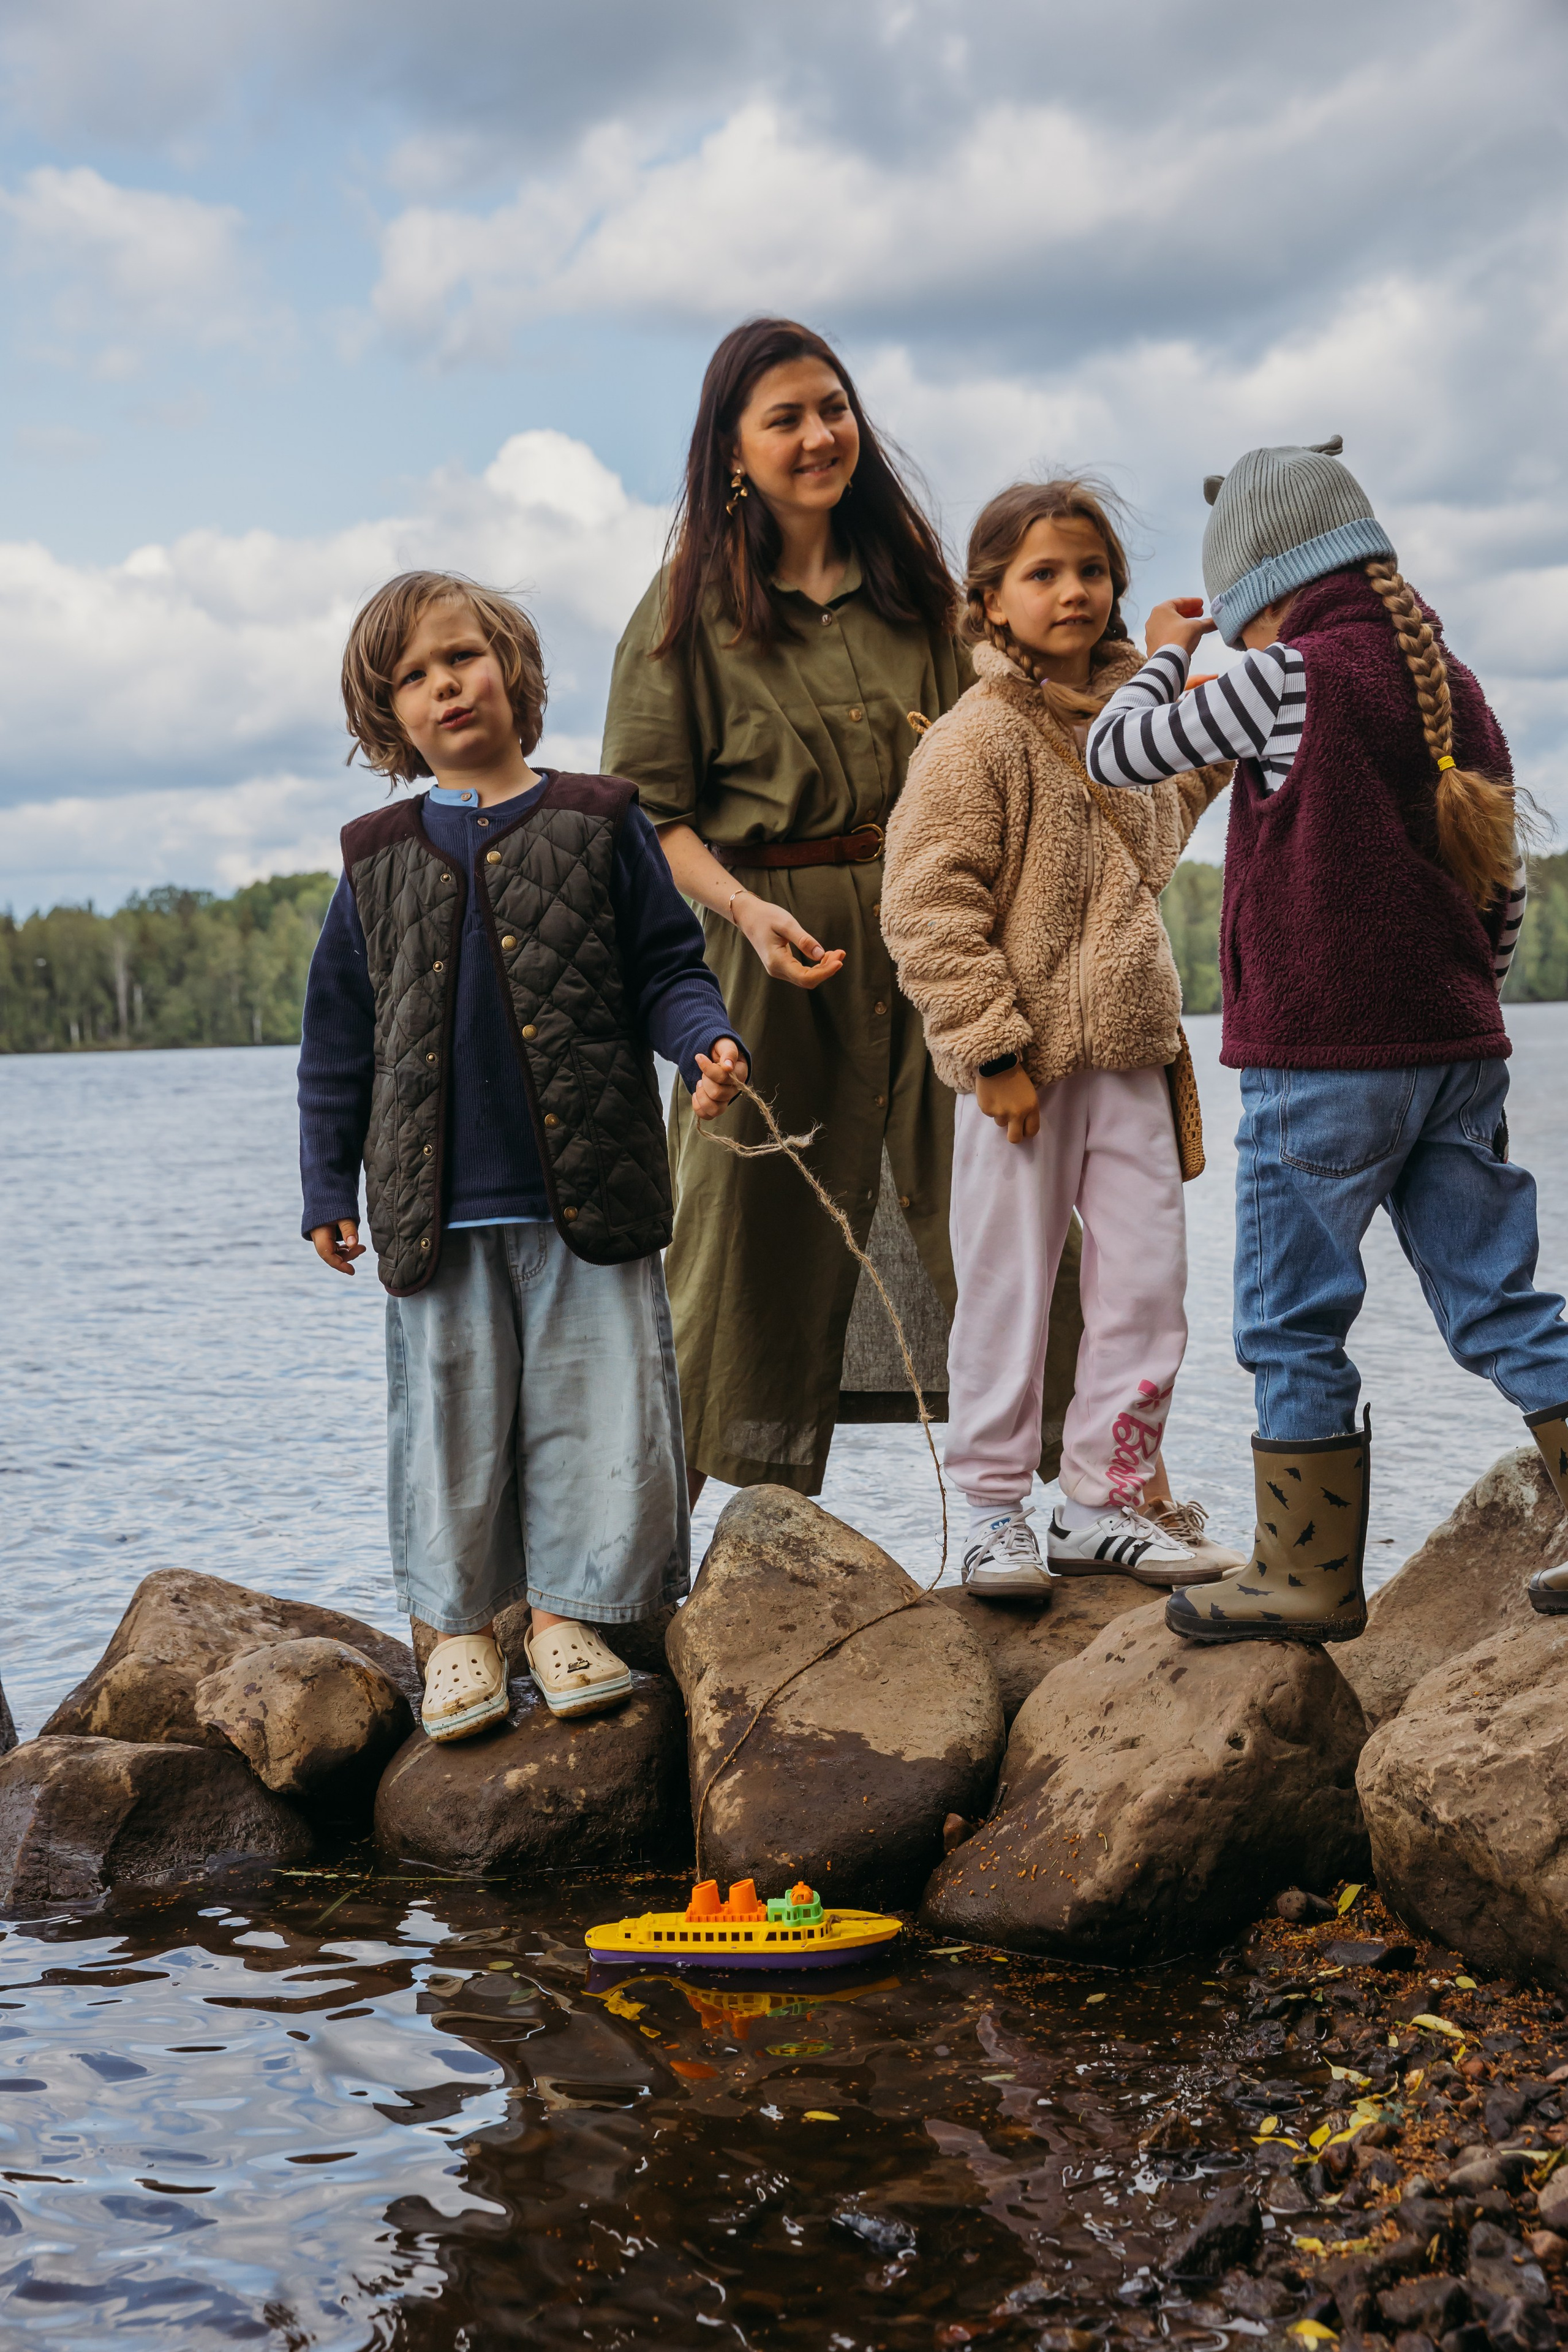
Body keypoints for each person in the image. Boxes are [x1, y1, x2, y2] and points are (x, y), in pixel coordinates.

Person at [1085, 435, 1568, 1643]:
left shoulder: (1287, 674)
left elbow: (1117, 753)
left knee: (1291, 1314)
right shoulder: (1453, 689)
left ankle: (1303, 1575)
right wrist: (1456, 1008)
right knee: (1496, 1299)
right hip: (1455, 1052)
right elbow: (1497, 892)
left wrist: (1163, 653)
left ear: (1253, 585)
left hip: (1322, 1063)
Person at [298, 570, 747, 1740]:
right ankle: (456, 1634)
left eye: (464, 657)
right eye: (414, 675)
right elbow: (338, 1040)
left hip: (587, 1191)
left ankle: (566, 1618)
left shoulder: (602, 820)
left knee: (600, 1411)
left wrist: (706, 1043)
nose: (446, 684)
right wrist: (323, 1188)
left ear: (513, 672)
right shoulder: (374, 854)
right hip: (432, 1207)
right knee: (449, 1424)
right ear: (386, 714)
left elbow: (669, 971)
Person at [601, 316, 1025, 1503]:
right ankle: (646, 1568)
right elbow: (648, 816)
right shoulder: (687, 604)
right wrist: (739, 911)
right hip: (764, 951)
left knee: (999, 1198)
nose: (817, 434)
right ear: (731, 450)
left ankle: (1076, 1502)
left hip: (934, 938)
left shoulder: (915, 587)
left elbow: (1003, 748)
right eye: (783, 417)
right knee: (738, 1241)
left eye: (830, 408)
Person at [881, 479, 1238, 1597]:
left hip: (1132, 1056)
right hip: (1020, 1070)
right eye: (1043, 574)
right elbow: (927, 904)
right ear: (988, 603)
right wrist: (990, 1052)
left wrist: (1178, 670)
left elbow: (1177, 798)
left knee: (1143, 1288)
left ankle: (1105, 1501)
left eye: (1091, 571)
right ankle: (992, 1510)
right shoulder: (974, 739)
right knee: (1007, 1289)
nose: (1072, 591)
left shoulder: (1130, 726)